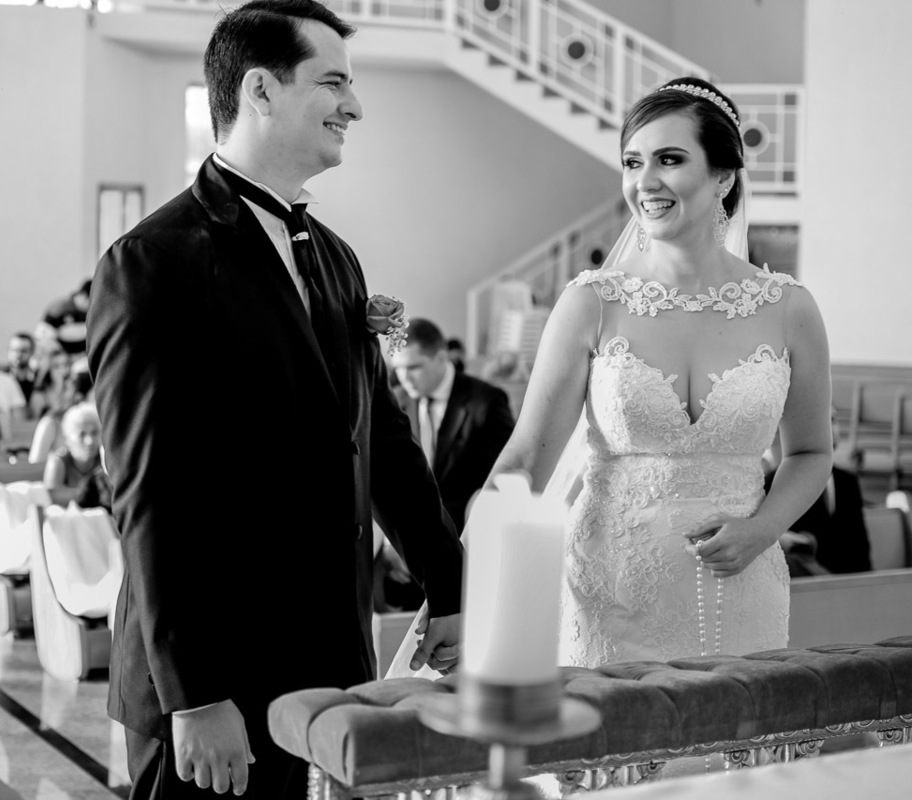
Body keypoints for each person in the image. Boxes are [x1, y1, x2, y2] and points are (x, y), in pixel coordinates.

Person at [86, 3, 464, 797]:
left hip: (329, 666)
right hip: (217, 678)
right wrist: (195, 695)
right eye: (333, 82)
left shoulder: (334, 257)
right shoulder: (153, 262)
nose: (354, 106)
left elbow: (381, 442)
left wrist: (449, 585)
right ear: (260, 89)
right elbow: (147, 493)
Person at [481, 77, 833, 667]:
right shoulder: (590, 302)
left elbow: (811, 454)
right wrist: (471, 581)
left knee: (736, 749)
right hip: (608, 588)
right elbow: (522, 463)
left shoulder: (789, 308)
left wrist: (763, 528)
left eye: (669, 159)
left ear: (724, 176)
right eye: (632, 161)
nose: (645, 181)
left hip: (742, 585)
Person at [381, 318, 514, 610]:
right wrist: (394, 543)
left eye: (413, 367)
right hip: (405, 559)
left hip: (466, 551)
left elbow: (500, 481)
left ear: (441, 358)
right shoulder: (396, 401)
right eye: (398, 369)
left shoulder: (486, 402)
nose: (405, 378)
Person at [764, 423, 871, 576]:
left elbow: (861, 547)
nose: (832, 427)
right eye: (826, 418)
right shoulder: (773, 482)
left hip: (848, 585)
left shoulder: (848, 481)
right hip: (803, 585)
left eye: (834, 419)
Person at [43, 402, 104, 502]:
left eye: (94, 433)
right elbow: (52, 499)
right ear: (67, 439)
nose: (90, 441)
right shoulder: (57, 462)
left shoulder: (103, 460)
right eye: (82, 434)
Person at [39, 279, 91, 357]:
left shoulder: (87, 312)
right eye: (90, 302)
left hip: (82, 356)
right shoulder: (59, 308)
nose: (91, 307)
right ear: (83, 296)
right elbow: (44, 336)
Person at [5, 331, 37, 405]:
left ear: (32, 352)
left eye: (23, 351)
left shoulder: (38, 381)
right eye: (14, 350)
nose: (18, 355)